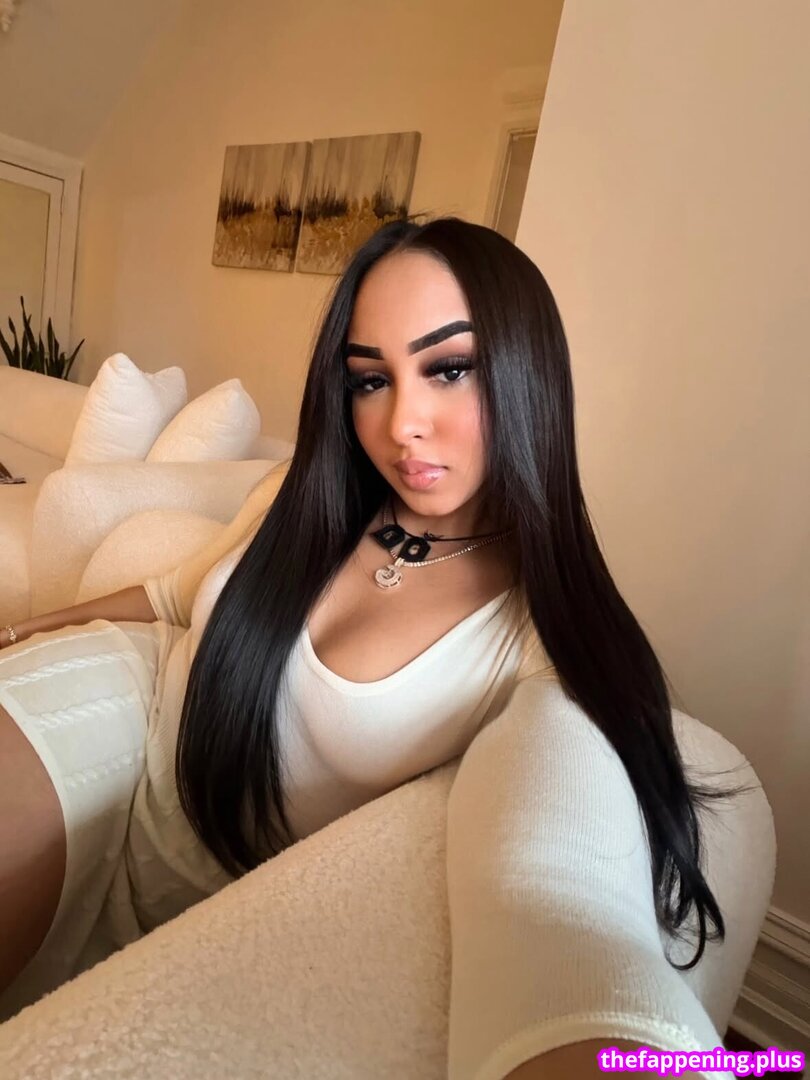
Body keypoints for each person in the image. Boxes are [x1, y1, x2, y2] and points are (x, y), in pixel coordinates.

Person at [0, 216, 751, 1075]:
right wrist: (20, 632)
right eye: (370, 380)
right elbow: (174, 593)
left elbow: (557, 904)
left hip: (208, 900)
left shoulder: (538, 651)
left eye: (449, 369)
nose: (402, 424)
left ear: (529, 371)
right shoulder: (308, 495)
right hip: (115, 716)